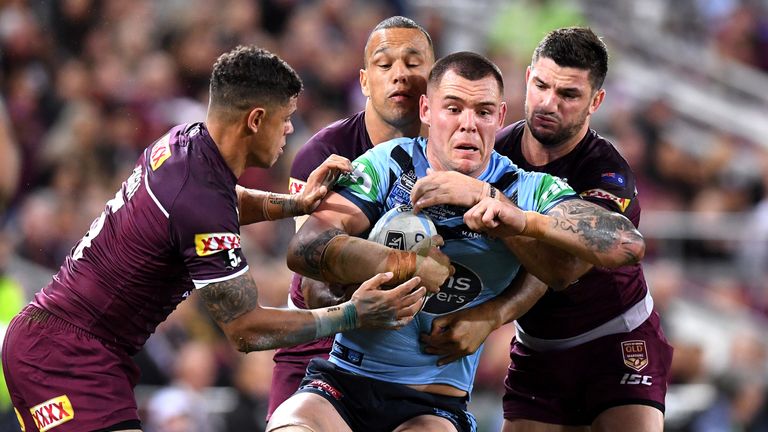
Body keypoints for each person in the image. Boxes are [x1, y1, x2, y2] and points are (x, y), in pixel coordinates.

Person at [0, 45, 430, 432]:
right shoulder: (198, 196)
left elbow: (230, 200)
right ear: (256, 120)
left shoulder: (186, 142)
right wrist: (353, 314)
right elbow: (246, 330)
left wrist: (297, 204)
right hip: (63, 355)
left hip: (72, 346)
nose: (288, 132)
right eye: (285, 120)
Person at [267, 51, 645, 432]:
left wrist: (508, 213)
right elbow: (304, 248)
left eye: (482, 112)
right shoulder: (388, 164)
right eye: (453, 108)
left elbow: (625, 245)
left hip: (434, 405)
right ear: (427, 111)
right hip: (340, 385)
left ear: (499, 118)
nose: (468, 125)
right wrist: (402, 267)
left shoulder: (526, 190)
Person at [414, 28, 673, 432]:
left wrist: (491, 312)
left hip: (615, 339)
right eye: (541, 85)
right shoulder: (493, 151)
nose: (548, 103)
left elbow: (561, 270)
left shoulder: (605, 173)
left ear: (595, 102)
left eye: (568, 95)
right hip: (538, 346)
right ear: (528, 78)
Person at [268, 15, 436, 418]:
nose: (400, 75)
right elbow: (312, 275)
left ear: (436, 79)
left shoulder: (455, 152)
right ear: (363, 81)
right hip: (319, 341)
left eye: (414, 64)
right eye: (384, 64)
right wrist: (360, 305)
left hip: (410, 357)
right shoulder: (321, 154)